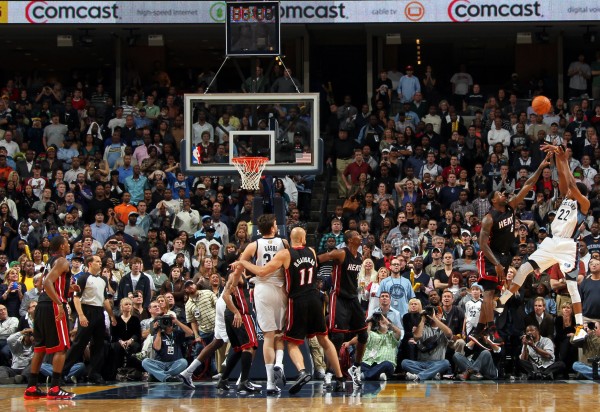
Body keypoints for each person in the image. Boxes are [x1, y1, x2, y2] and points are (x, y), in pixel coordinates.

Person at [236, 227, 346, 393]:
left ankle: (302, 372)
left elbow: (263, 271)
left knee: (292, 343)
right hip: (315, 299)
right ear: (303, 239)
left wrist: (243, 261)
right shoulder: (312, 251)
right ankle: (340, 379)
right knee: (324, 340)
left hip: (298, 300)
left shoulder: (285, 254)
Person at [500, 145, 589, 341]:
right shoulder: (567, 197)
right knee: (523, 269)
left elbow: (572, 185)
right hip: (551, 242)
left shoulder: (583, 204)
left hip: (567, 246)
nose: (565, 193)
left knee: (572, 286)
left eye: (570, 192)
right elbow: (565, 181)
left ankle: (580, 327)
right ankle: (502, 301)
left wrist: (563, 158)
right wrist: (559, 157)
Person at [474, 154, 550, 343]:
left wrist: (539, 168)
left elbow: (528, 185)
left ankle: (479, 329)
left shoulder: (511, 206)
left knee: (494, 295)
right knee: (489, 293)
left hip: (504, 255)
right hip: (489, 256)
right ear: (493, 201)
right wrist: (497, 264)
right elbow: (482, 244)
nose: (503, 194)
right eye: (499, 194)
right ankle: (491, 329)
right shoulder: (489, 218)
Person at [235, 214, 288, 393]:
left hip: (262, 290)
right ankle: (279, 363)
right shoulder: (284, 243)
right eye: (275, 224)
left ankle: (271, 383)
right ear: (273, 228)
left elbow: (240, 268)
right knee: (280, 334)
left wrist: (235, 283)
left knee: (268, 336)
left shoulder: (253, 245)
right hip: (281, 289)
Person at [24, 235, 77, 400]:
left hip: (41, 305)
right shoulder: (62, 261)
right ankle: (55, 388)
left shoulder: (49, 262)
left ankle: (32, 386)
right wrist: (60, 303)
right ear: (62, 246)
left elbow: (40, 284)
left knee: (40, 348)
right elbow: (46, 283)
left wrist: (67, 289)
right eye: (67, 243)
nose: (69, 246)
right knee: (61, 348)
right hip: (53, 307)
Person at [317, 230, 368, 388]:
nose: (361, 236)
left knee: (364, 334)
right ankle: (329, 372)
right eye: (357, 235)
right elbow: (319, 259)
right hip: (338, 298)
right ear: (350, 239)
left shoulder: (359, 256)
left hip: (353, 299)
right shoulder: (340, 253)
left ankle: (356, 367)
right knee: (337, 338)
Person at [63, 255, 117, 384]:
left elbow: (104, 300)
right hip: (87, 310)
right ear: (90, 264)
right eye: (97, 261)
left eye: (100, 261)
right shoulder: (83, 278)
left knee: (99, 344)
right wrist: (81, 315)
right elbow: (76, 298)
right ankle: (62, 372)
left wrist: (111, 315)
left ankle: (94, 373)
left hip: (99, 311)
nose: (100, 263)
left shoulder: (104, 279)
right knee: (79, 344)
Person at [401, 307, 453, 381]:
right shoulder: (423, 328)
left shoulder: (443, 329)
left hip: (437, 363)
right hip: (421, 363)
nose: (432, 315)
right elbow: (417, 336)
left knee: (446, 363)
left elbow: (449, 333)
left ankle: (419, 376)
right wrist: (422, 319)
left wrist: (435, 318)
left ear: (441, 315)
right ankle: (431, 374)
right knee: (404, 363)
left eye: (436, 313)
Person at [141, 312, 194, 383]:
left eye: (169, 322)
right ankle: (168, 377)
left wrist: (177, 322)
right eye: (165, 322)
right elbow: (157, 347)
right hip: (160, 364)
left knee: (184, 362)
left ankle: (160, 376)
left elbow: (190, 333)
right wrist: (158, 331)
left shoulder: (177, 333)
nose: (168, 324)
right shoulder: (158, 334)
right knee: (145, 361)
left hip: (174, 364)